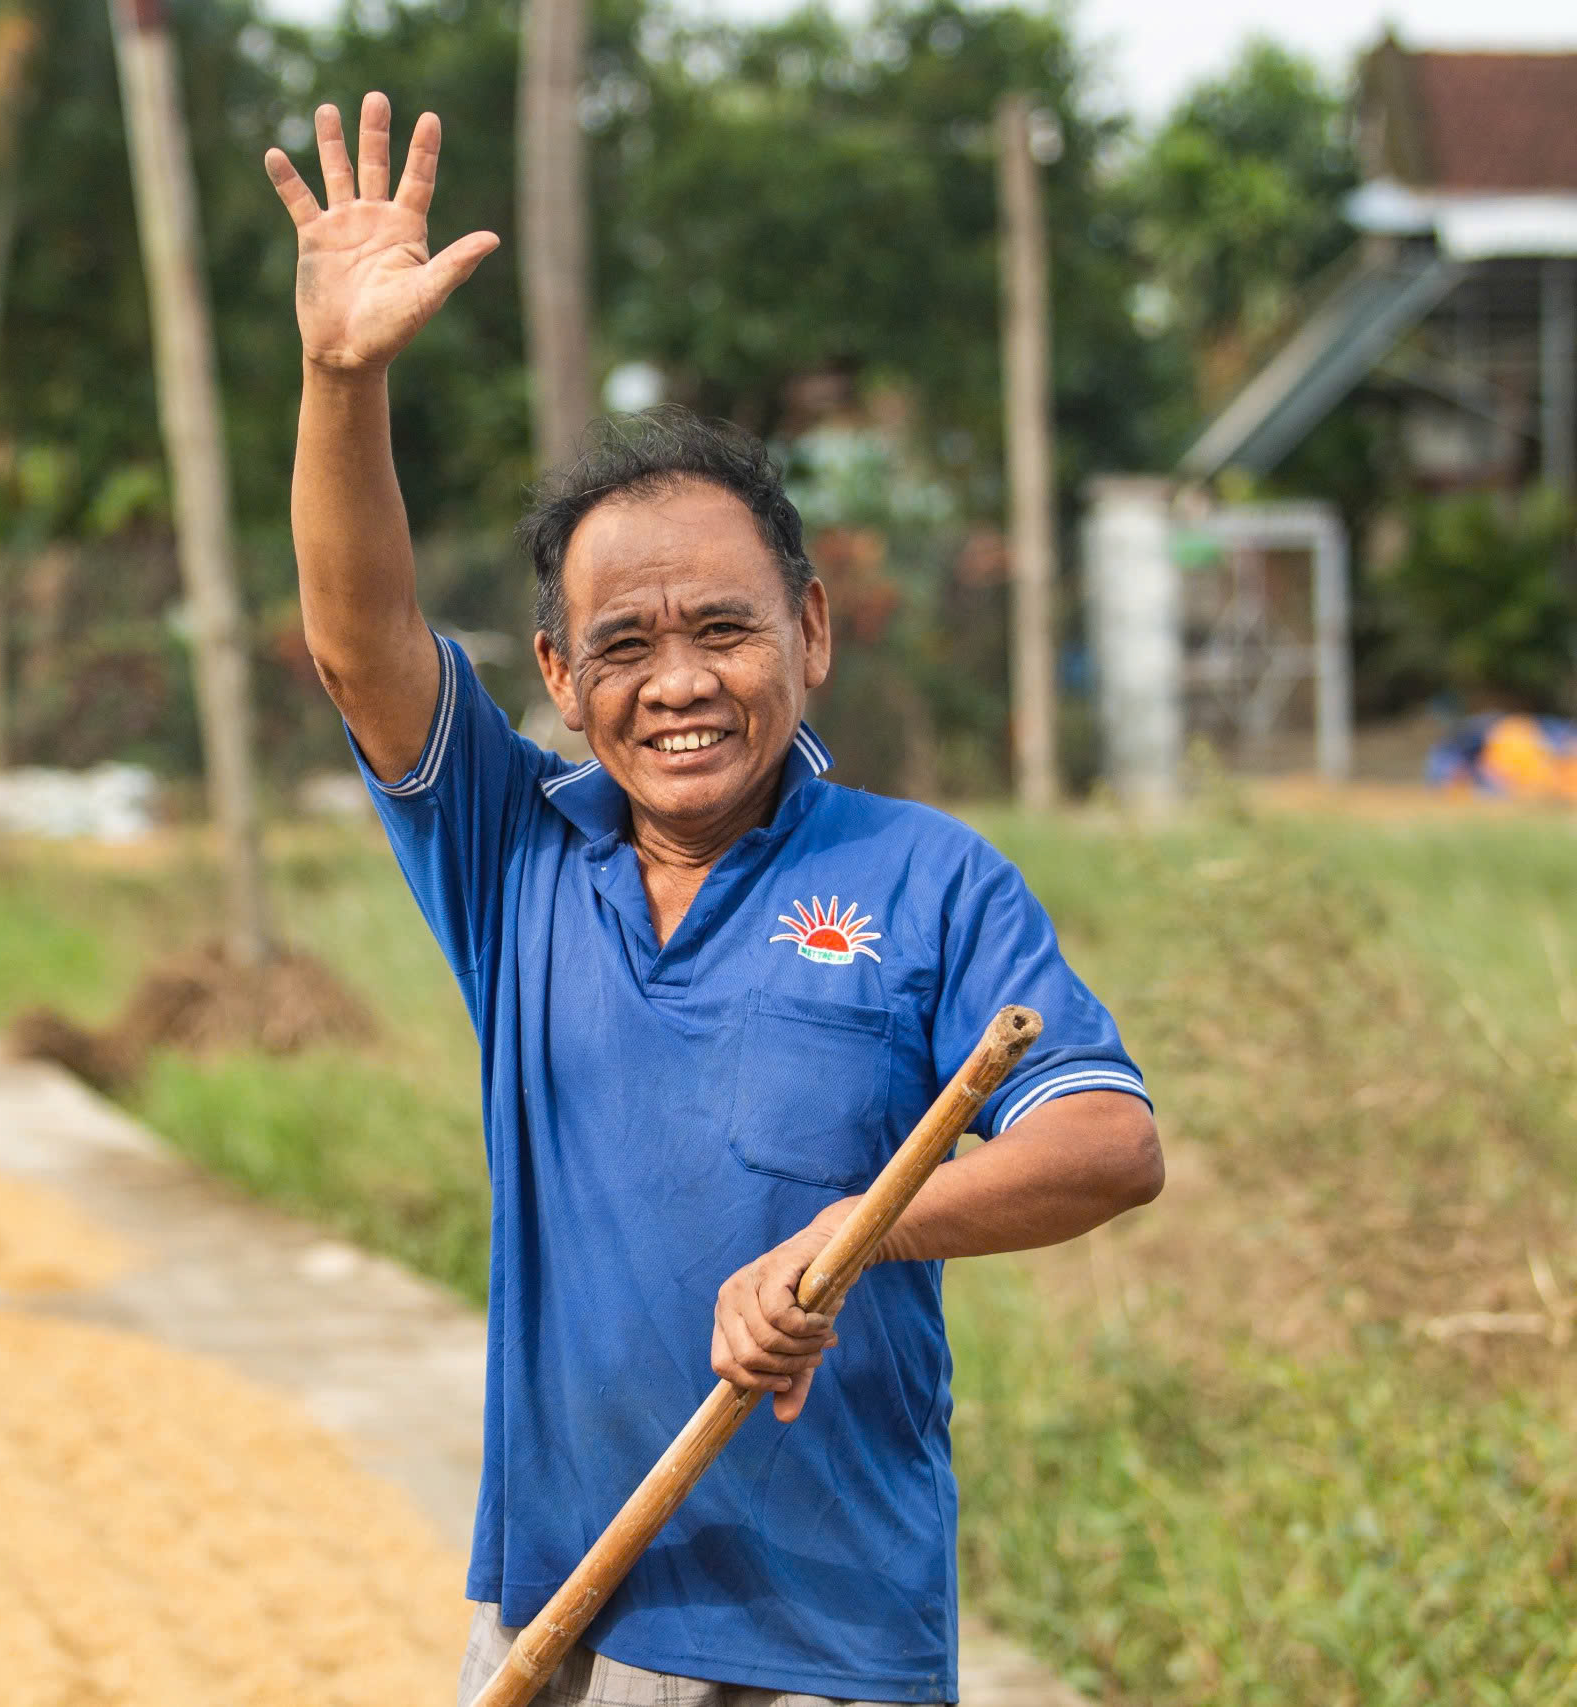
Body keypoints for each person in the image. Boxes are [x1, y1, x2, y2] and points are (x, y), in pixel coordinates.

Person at [265, 94, 1164, 1707]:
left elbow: (1108, 1142)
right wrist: (344, 377)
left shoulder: (926, 874)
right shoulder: (513, 849)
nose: (678, 684)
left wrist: (855, 1232)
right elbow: (358, 635)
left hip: (836, 1641)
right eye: (622, 645)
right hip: (565, 1612)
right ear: (555, 673)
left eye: (725, 630)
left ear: (811, 631)